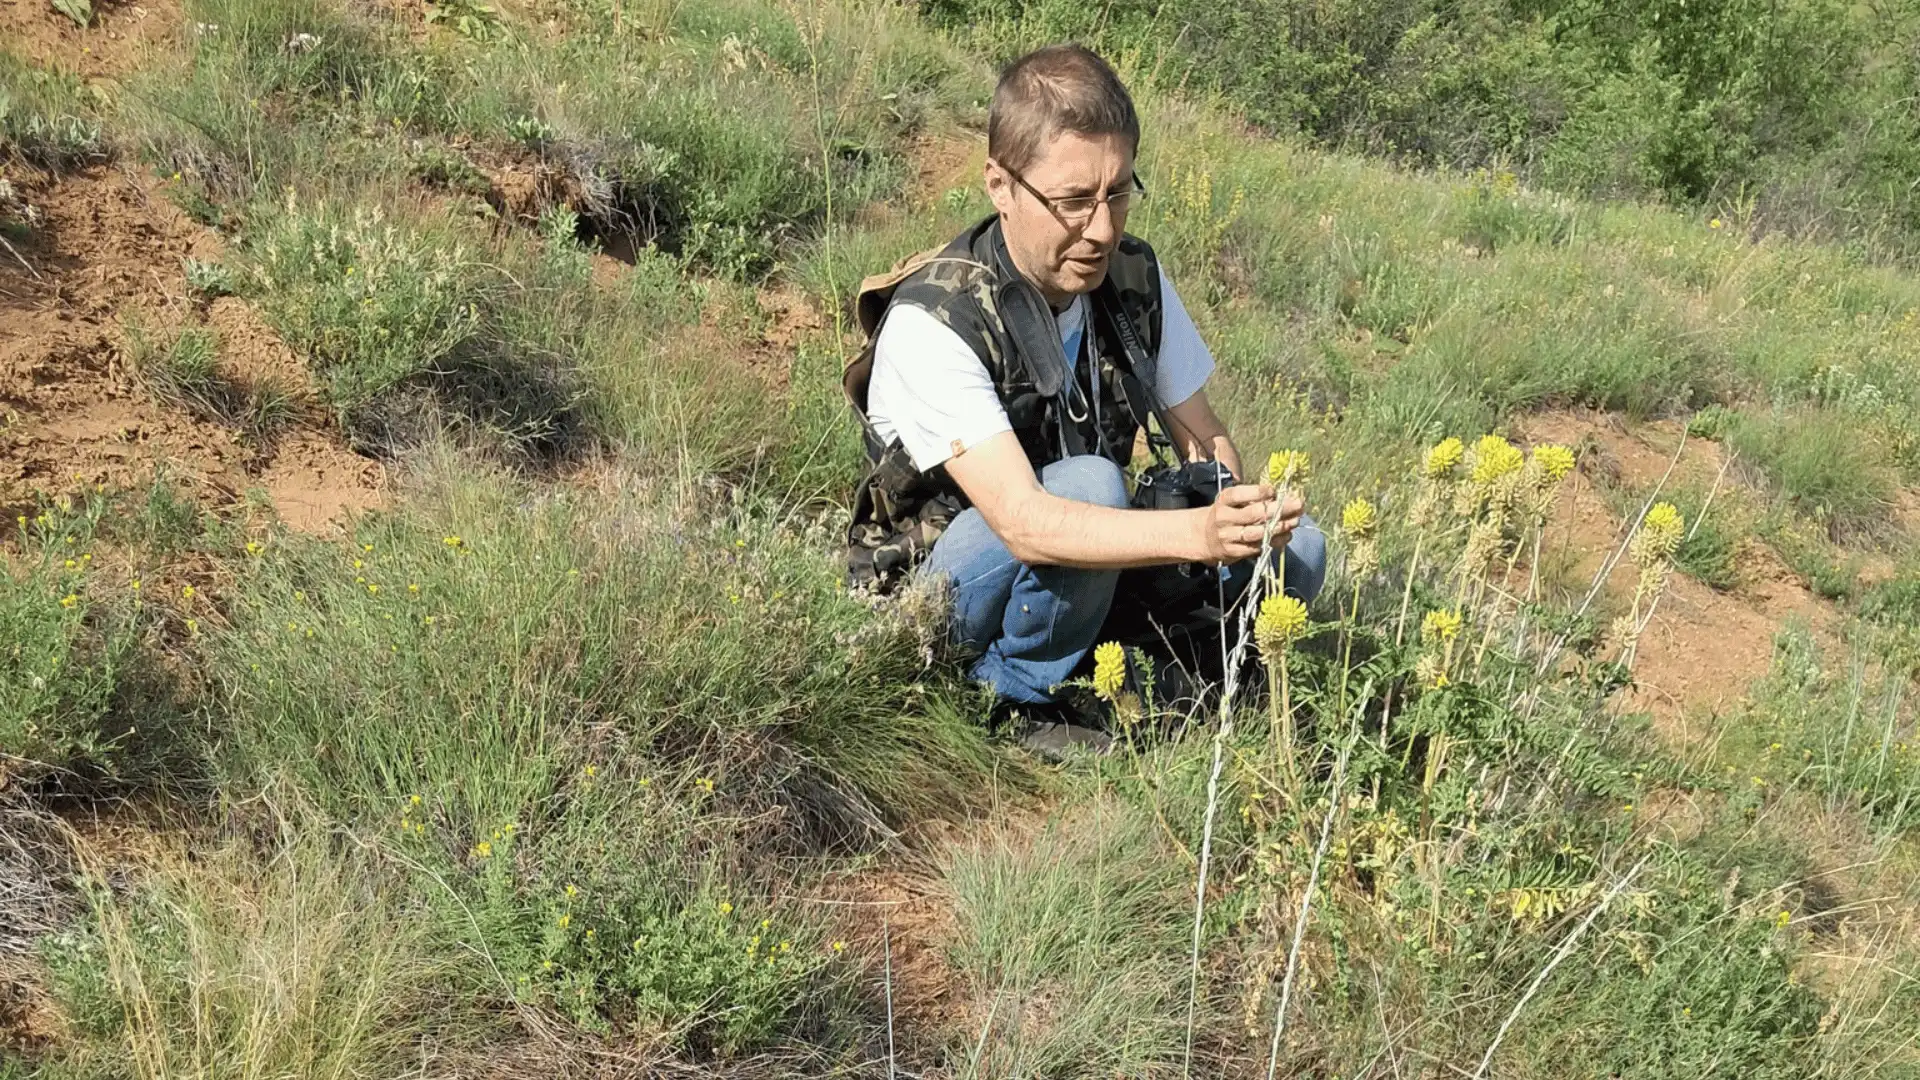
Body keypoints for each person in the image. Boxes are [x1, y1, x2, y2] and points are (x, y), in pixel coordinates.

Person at [841, 44, 1325, 751]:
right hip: (935, 585)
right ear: (1000, 185)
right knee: (1094, 485)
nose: (1102, 228)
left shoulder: (1131, 278)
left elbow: (1203, 433)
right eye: (1072, 201)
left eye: (1119, 192)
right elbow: (1025, 523)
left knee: (1302, 549)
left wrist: (1234, 508)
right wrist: (1195, 535)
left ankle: (1186, 667)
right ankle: (1008, 696)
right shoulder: (935, 319)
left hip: (1076, 565)